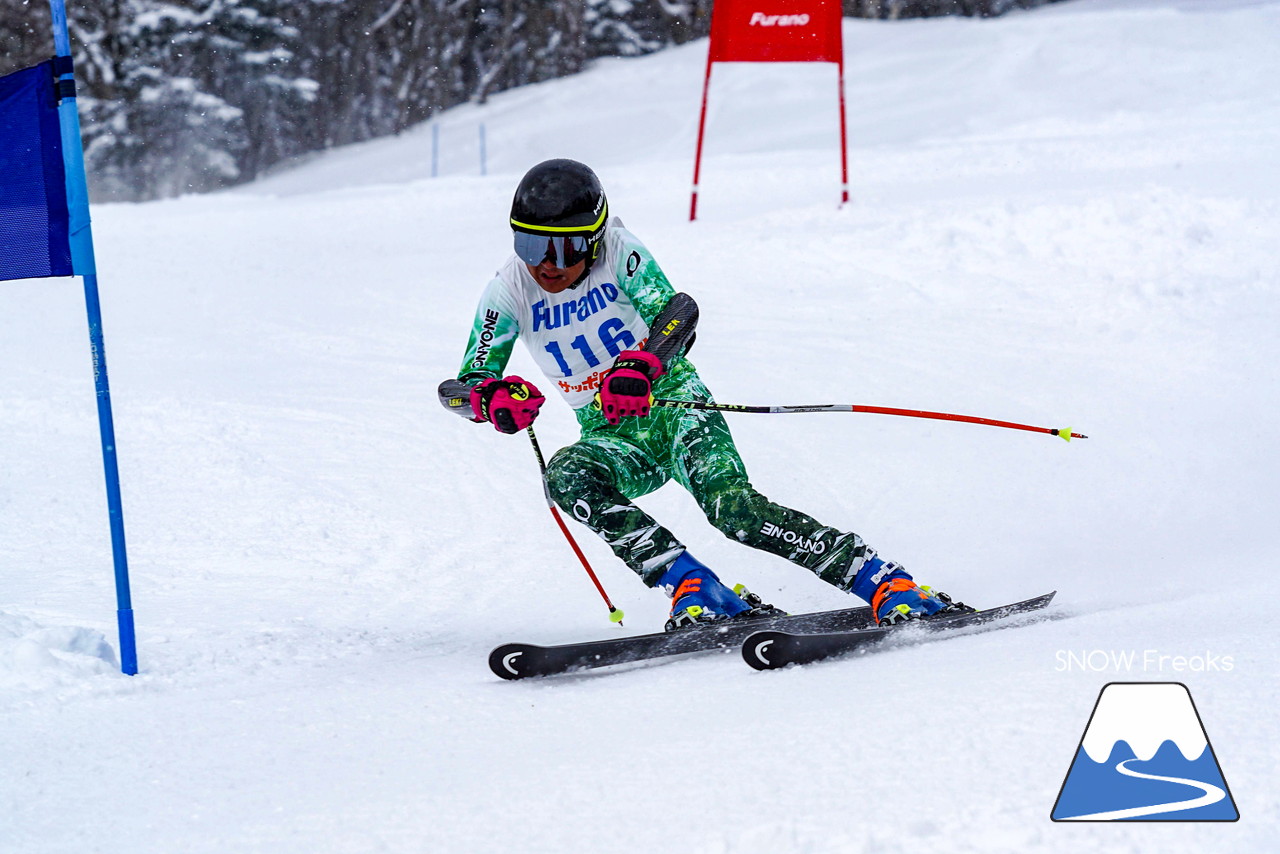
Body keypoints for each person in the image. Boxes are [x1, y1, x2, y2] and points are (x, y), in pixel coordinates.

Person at [438, 159, 969, 630]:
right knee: (566, 476)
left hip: (673, 408)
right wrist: (489, 399)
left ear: (593, 240)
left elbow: (677, 312)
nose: (545, 263)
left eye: (563, 247)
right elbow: (460, 386)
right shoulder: (509, 288)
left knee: (733, 512)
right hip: (613, 434)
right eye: (529, 244)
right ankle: (694, 585)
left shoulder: (619, 254)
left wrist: (643, 365)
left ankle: (883, 581)